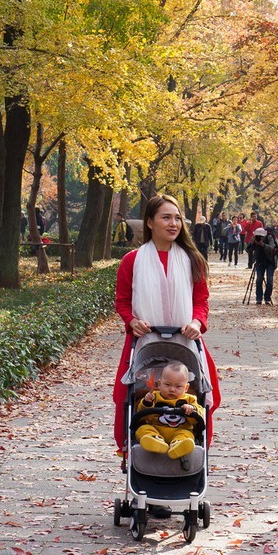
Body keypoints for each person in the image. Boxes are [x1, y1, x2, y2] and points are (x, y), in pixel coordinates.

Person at [113, 194, 221, 455]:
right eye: (166, 217)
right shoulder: (132, 261)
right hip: (144, 342)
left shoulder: (191, 260)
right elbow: (123, 301)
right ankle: (140, 446)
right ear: (150, 222)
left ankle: (189, 446)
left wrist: (197, 321)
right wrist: (132, 321)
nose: (174, 224)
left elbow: (201, 300)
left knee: (203, 393)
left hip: (185, 340)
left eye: (177, 218)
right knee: (130, 398)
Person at [134, 361, 202, 459]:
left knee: (187, 435)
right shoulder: (154, 396)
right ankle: (154, 442)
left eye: (178, 386)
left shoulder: (190, 400)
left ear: (186, 387)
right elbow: (141, 415)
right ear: (159, 384)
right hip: (156, 429)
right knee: (142, 430)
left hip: (180, 431)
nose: (172, 389)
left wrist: (192, 410)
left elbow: (199, 419)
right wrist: (146, 403)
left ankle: (179, 446)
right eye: (167, 385)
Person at [248, 227, 277, 304]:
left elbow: (272, 248)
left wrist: (263, 244)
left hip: (270, 262)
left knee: (270, 281)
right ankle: (259, 298)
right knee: (259, 280)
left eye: (261, 236)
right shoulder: (255, 239)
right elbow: (248, 251)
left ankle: (267, 298)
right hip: (259, 262)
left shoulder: (269, 237)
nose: (260, 238)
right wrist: (251, 243)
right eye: (258, 236)